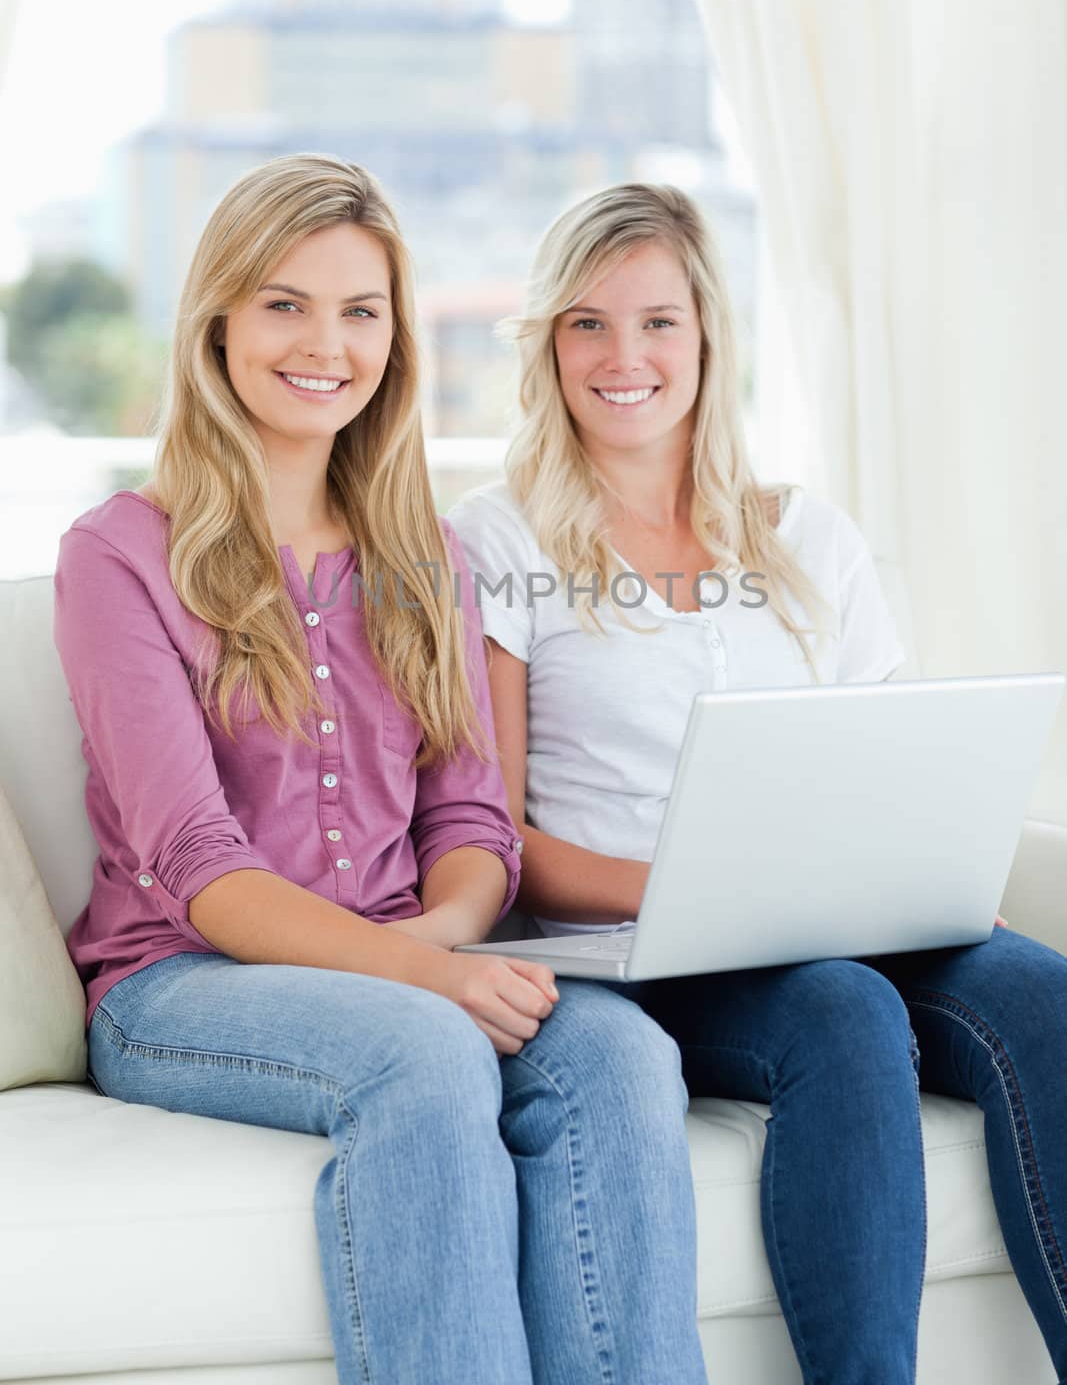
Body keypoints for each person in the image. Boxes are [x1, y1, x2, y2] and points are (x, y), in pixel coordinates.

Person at [52, 155, 710, 1385]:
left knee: (625, 1056)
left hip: (414, 957)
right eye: (285, 304)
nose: (326, 343)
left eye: (361, 311)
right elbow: (198, 866)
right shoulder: (118, 556)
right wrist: (417, 975)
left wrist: (444, 935)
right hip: (185, 980)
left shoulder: (427, 554)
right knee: (424, 1051)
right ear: (218, 324)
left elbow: (470, 817)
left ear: (394, 339)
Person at [448, 181, 1067, 1385]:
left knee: (1041, 993)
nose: (623, 356)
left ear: (707, 337)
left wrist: (931, 867)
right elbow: (502, 833)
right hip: (643, 945)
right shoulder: (499, 537)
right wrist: (699, 893)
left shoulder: (804, 535)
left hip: (843, 914)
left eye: (656, 322)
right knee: (839, 1009)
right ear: (548, 346)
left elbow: (900, 759)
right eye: (586, 323)